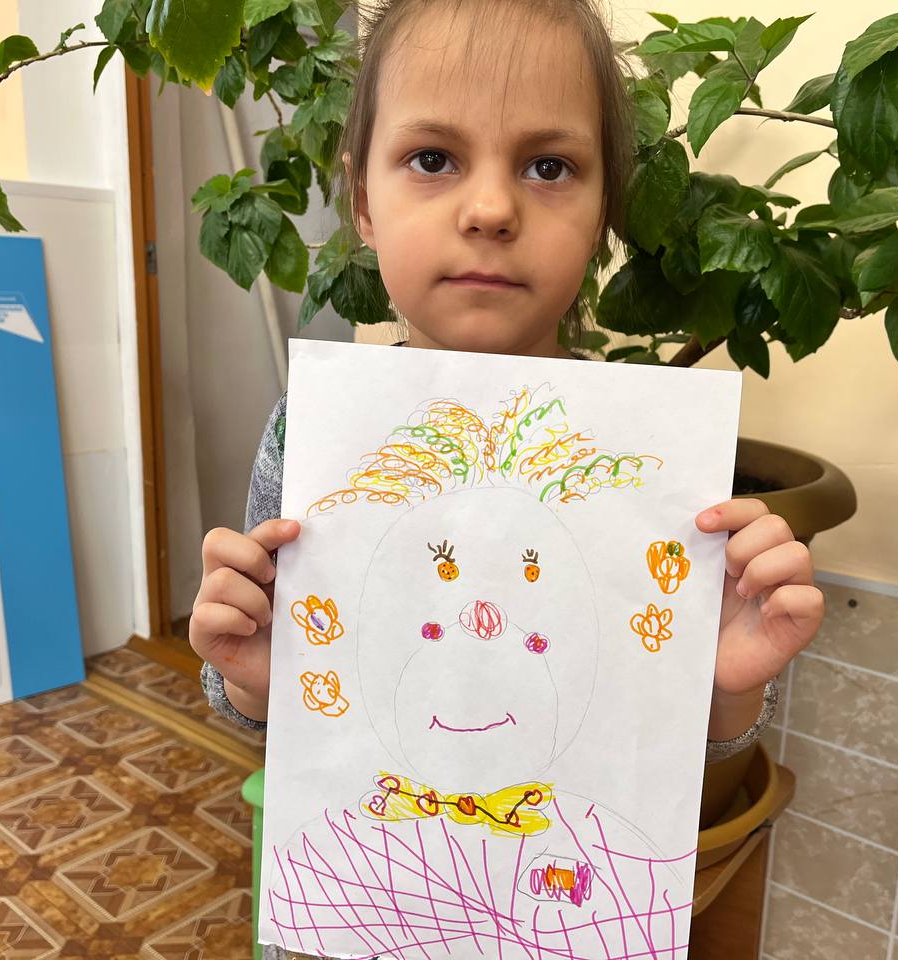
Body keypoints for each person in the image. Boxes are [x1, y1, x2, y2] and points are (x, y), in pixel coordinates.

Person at [190, 0, 824, 955]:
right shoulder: (312, 436)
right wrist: (251, 674)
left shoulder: (646, 468)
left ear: (604, 214)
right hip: (358, 917)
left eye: (549, 167)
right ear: (363, 201)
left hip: (558, 914)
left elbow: (666, 747)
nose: (491, 209)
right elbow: (277, 712)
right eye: (432, 158)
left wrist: (725, 685)